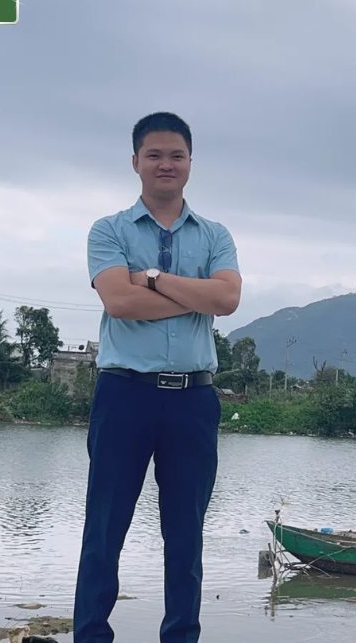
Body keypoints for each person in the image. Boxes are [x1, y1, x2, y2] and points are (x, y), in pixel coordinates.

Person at [73, 112, 241, 643]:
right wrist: (195, 294)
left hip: (193, 399)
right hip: (124, 394)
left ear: (190, 163)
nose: (166, 164)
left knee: (186, 537)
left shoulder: (215, 235)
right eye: (155, 155)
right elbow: (120, 303)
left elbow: (228, 299)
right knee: (104, 532)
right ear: (135, 162)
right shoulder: (109, 230)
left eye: (176, 155)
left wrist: (150, 278)